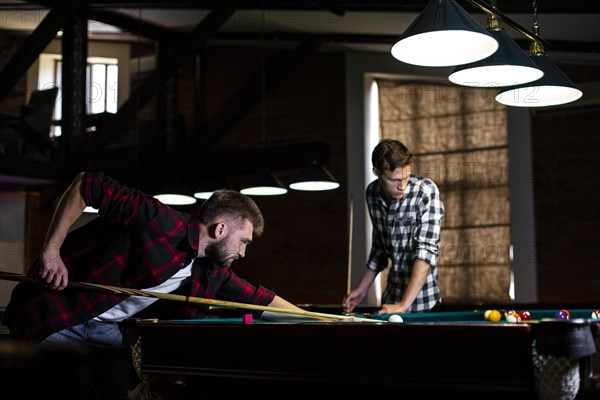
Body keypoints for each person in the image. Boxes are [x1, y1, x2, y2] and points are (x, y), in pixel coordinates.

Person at [2, 171, 314, 399]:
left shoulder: (212, 272)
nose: (243, 252)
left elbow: (260, 299)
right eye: (243, 241)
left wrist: (314, 318)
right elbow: (87, 184)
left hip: (110, 335)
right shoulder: (158, 220)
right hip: (58, 311)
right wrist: (51, 252)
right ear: (220, 228)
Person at [343, 138, 445, 315]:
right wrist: (362, 290)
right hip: (390, 300)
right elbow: (379, 249)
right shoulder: (372, 193)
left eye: (406, 178)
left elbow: (426, 251)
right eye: (395, 180)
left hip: (423, 305)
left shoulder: (425, 191)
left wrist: (404, 305)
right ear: (376, 172)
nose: (402, 186)